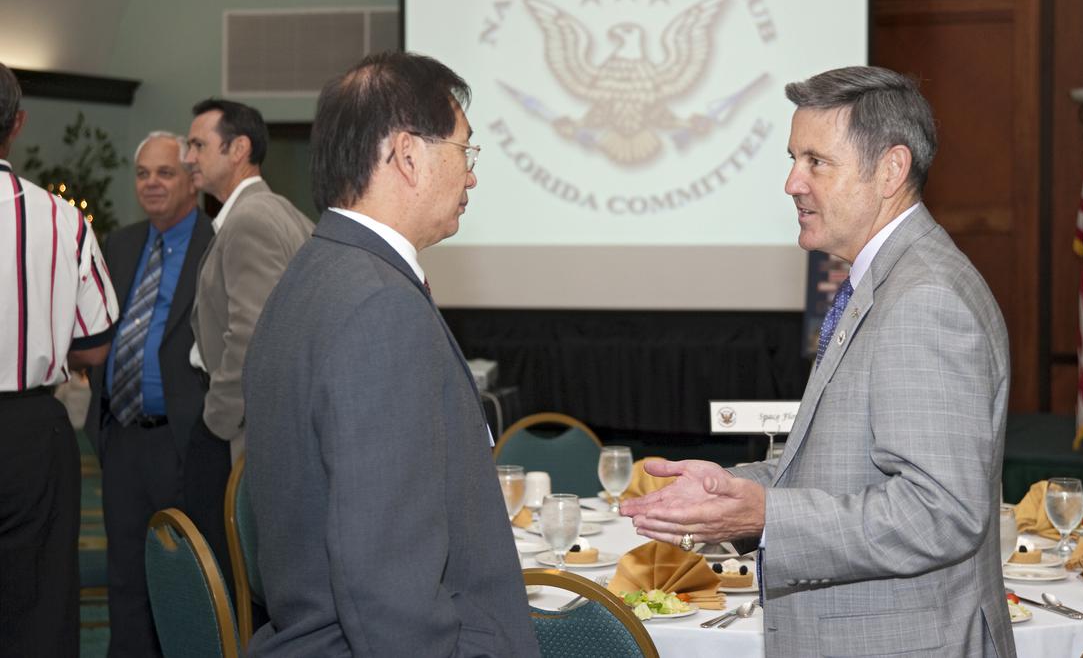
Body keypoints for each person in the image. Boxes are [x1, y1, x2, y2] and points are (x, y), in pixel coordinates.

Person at [623, 66, 1016, 657]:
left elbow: (941, 513)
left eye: (816, 162)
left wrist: (767, 516)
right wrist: (732, 488)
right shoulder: (885, 281)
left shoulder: (924, 299)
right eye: (792, 159)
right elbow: (843, 472)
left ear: (891, 170)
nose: (791, 183)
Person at [242, 51, 537, 656]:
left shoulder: (313, 275)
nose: (472, 175)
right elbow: (387, 580)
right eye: (465, 151)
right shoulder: (380, 305)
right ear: (408, 154)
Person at [0, 62, 118, 658]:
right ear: (16, 124)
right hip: (32, 434)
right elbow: (96, 344)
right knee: (40, 607)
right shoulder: (62, 218)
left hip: (32, 430)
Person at [86, 131, 215, 657]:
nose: (152, 184)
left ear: (191, 180)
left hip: (187, 442)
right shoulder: (119, 243)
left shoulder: (216, 243)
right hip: (122, 441)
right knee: (125, 581)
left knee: (188, 583)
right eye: (143, 174)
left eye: (165, 172)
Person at [184, 98, 313, 575]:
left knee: (229, 577)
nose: (189, 157)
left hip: (240, 430)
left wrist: (215, 422)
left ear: (239, 148)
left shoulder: (250, 220)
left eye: (199, 144)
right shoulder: (279, 210)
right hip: (266, 425)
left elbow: (251, 337)